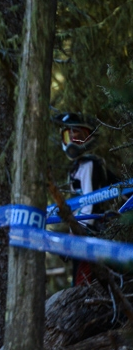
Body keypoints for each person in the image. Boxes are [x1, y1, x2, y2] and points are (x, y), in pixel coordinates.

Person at [53, 112, 121, 286]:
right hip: (84, 230)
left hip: (91, 233)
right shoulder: (77, 167)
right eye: (70, 135)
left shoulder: (90, 164)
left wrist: (77, 233)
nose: (73, 140)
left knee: (84, 282)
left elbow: (89, 204)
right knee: (81, 277)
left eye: (79, 136)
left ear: (89, 138)